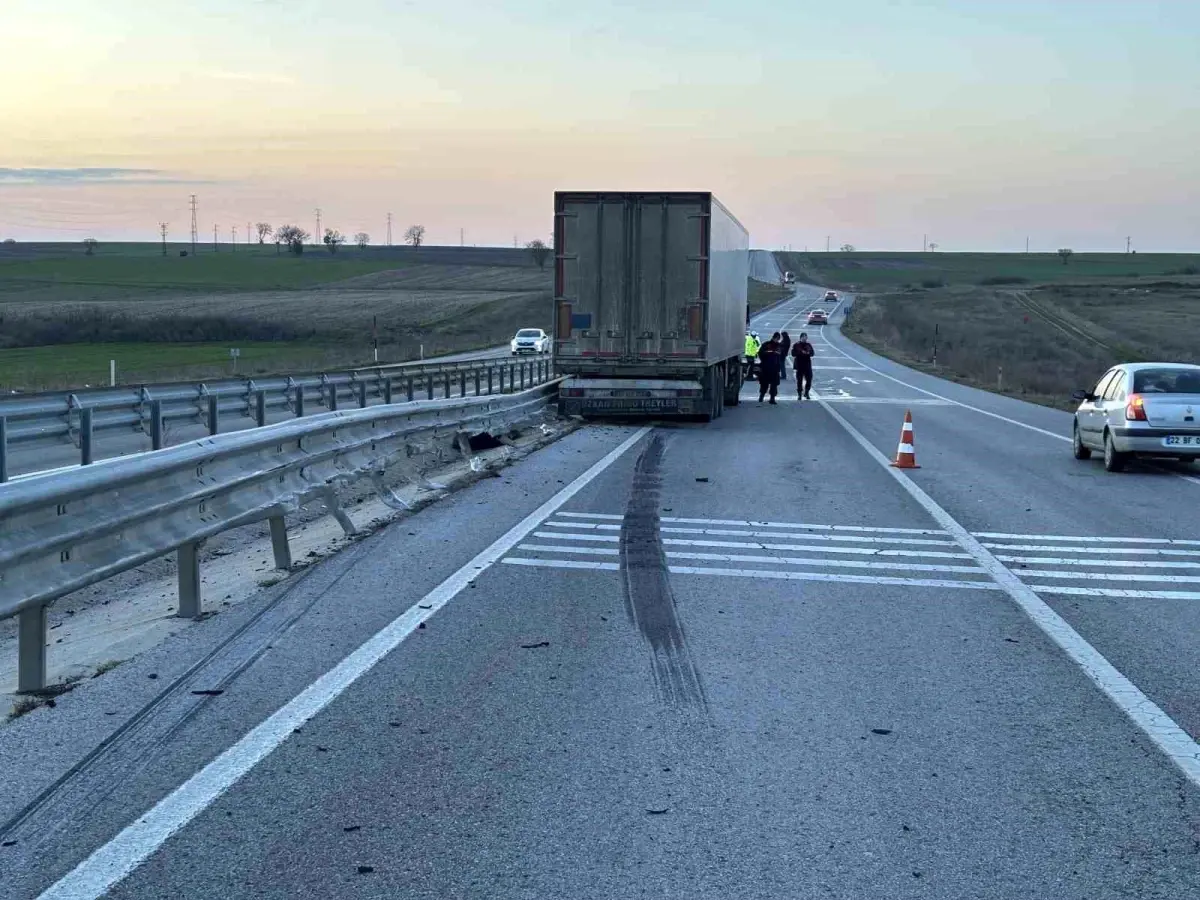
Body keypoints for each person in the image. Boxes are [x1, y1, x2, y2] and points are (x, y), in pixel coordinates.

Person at [757, 332, 783, 404]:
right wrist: (768, 353)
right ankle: (761, 396)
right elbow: (760, 353)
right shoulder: (766, 344)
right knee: (764, 383)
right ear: (773, 337)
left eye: (778, 339)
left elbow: (781, 355)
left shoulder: (779, 346)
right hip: (766, 367)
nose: (777, 340)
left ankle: (772, 398)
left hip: (775, 368)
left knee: (774, 384)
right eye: (776, 338)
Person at [791, 331, 814, 400]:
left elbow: (812, 353)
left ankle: (806, 392)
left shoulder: (808, 345)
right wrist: (800, 352)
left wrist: (808, 353)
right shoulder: (796, 345)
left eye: (806, 337)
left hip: (807, 365)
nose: (805, 339)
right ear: (800, 338)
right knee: (799, 381)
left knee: (809, 379)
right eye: (803, 337)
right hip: (799, 365)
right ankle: (799, 394)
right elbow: (793, 354)